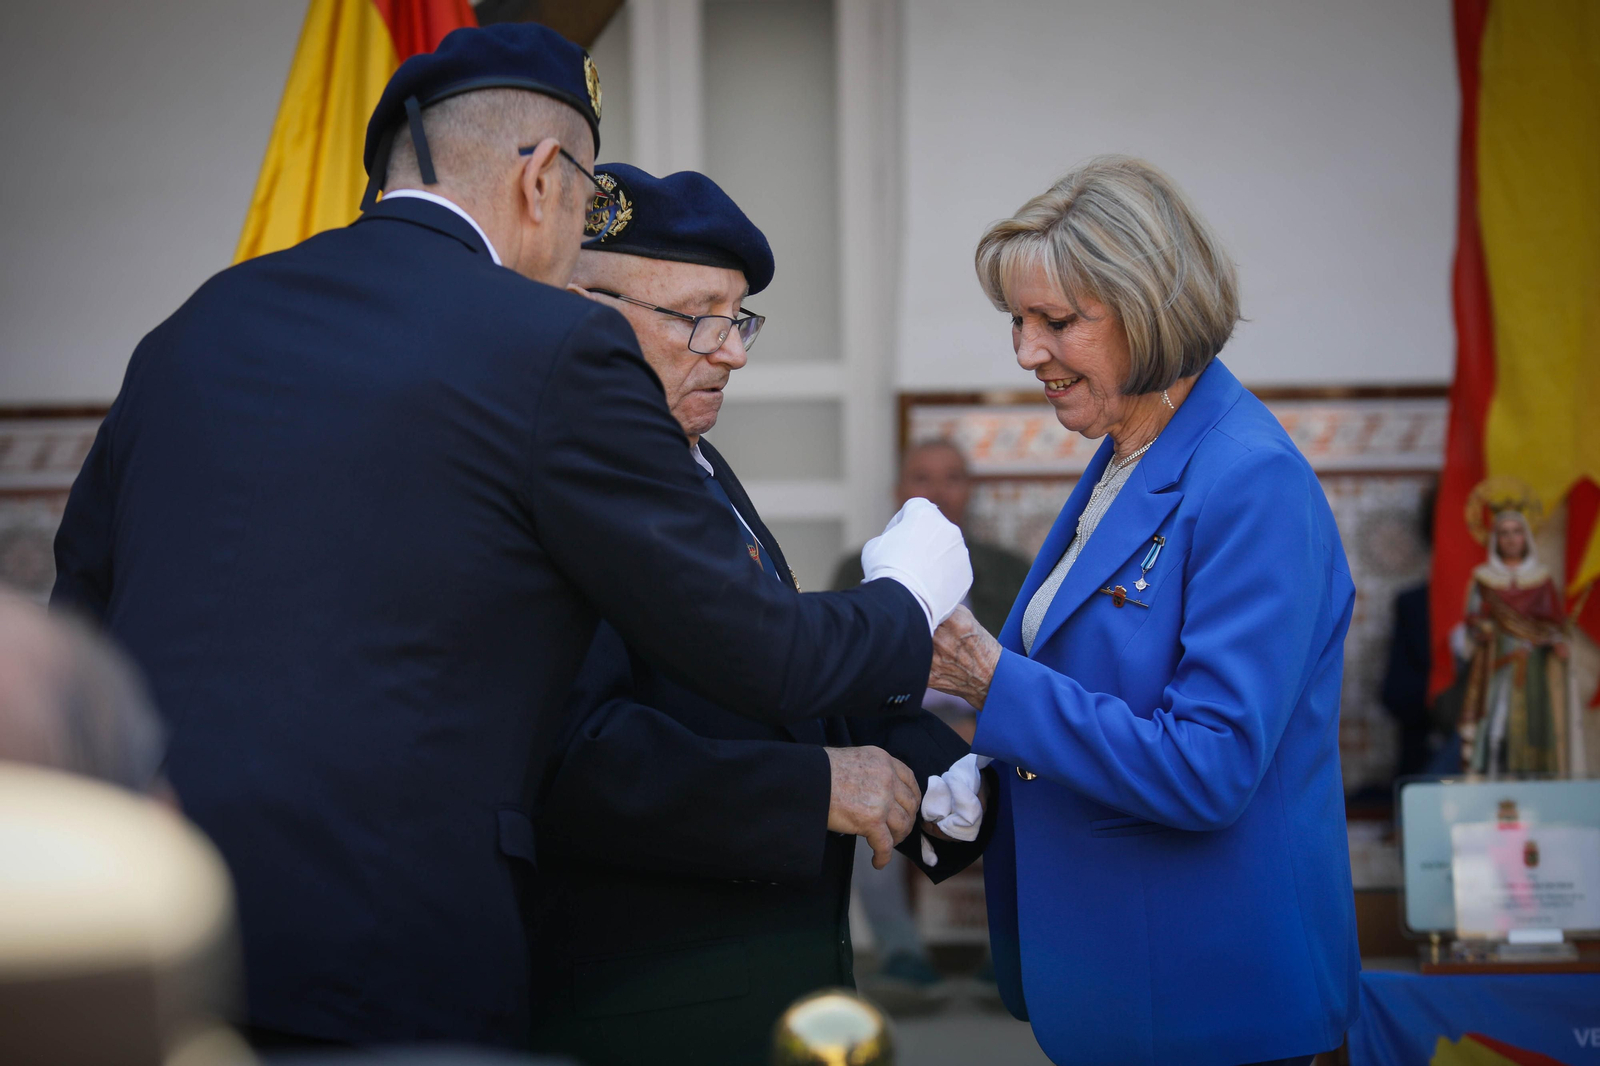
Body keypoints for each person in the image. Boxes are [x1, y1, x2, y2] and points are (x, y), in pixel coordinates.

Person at [48, 24, 970, 1050]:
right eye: (584, 208)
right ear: (541, 180)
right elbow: (761, 650)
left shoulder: (195, 329)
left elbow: (78, 626)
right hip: (391, 943)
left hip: (162, 933)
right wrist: (907, 595)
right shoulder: (552, 345)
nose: (576, 243)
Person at [524, 164, 991, 1065]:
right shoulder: (556, 482)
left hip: (767, 988)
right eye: (697, 316)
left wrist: (933, 770)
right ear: (585, 306)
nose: (731, 351)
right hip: (649, 1003)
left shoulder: (688, 458)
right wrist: (816, 788)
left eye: (738, 319)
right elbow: (577, 762)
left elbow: (754, 667)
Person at [923, 156, 1358, 1066]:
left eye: (1058, 322)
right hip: (1121, 988)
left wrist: (995, 681)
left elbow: (1210, 765)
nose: (1025, 352)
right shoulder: (1130, 452)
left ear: (1151, 306)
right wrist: (981, 776)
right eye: (1016, 321)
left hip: (1210, 1003)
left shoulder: (1252, 481)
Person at [831, 441, 1030, 999]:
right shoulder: (860, 565)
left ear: (970, 491)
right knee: (872, 792)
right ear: (900, 492)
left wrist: (980, 727)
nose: (937, 490)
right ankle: (900, 956)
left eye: (951, 478)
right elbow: (845, 671)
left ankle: (1007, 959)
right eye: (922, 476)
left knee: (1032, 792)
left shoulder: (1009, 570)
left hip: (992, 729)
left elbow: (1028, 667)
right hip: (895, 725)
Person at [1452, 481, 1575, 775]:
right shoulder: (1483, 579)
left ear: (1526, 537)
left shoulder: (1541, 579)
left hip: (1532, 667)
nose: (1510, 539)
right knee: (1494, 728)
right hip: (1495, 662)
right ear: (1494, 538)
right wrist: (1484, 629)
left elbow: (1553, 624)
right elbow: (1471, 621)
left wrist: (1553, 639)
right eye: (1503, 533)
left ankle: (1533, 781)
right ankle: (1491, 776)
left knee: (1533, 725)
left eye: (1516, 532)